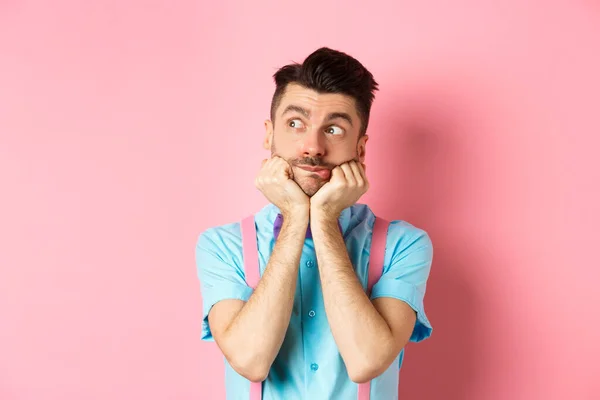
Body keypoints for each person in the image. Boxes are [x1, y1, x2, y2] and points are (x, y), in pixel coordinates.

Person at [195, 47, 434, 400]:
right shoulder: (222, 245)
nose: (313, 146)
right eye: (295, 124)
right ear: (269, 135)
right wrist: (295, 218)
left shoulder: (404, 244)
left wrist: (321, 219)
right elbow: (250, 360)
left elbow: (366, 361)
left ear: (361, 149)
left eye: (334, 129)